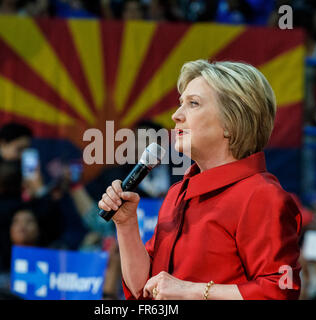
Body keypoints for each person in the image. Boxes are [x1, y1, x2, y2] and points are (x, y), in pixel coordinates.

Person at [98, 59, 302, 300]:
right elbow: (145, 290)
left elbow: (280, 291)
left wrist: (192, 290)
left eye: (193, 104)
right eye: (180, 104)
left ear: (231, 122)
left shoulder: (262, 195)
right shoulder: (177, 193)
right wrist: (126, 224)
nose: (176, 116)